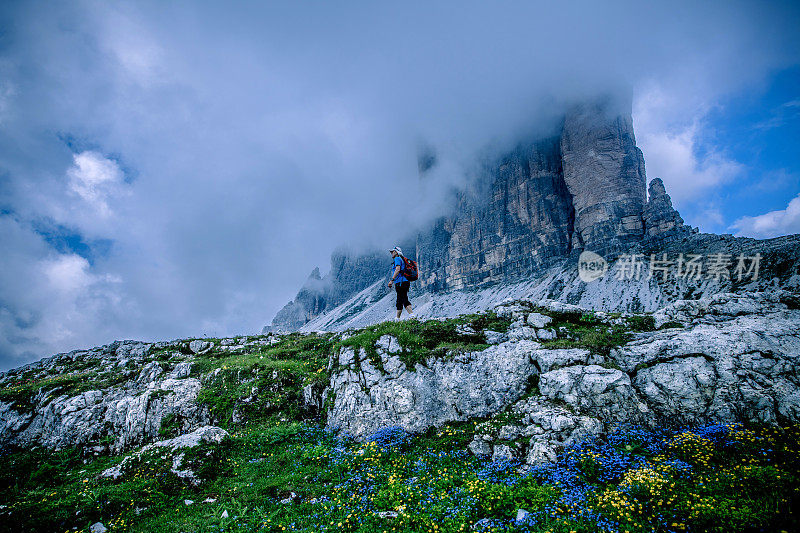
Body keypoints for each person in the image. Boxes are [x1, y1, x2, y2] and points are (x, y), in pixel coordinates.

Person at [388, 246, 413, 319]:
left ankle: (412, 315)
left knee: (403, 298)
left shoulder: (397, 259)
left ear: (396, 252)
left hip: (401, 282)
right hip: (403, 282)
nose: (391, 253)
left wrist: (392, 280)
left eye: (392, 252)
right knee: (399, 299)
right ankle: (397, 318)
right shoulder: (402, 259)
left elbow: (397, 269)